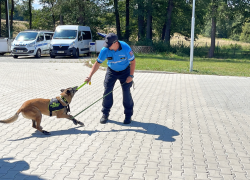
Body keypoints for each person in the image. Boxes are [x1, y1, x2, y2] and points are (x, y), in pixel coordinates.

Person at [85, 33, 135, 124]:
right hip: (111, 71)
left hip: (125, 71)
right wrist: (89, 76)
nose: (107, 47)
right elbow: (97, 64)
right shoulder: (105, 50)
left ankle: (128, 115)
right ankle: (105, 114)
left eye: (109, 45)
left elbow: (133, 61)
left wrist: (131, 76)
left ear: (116, 43)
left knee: (126, 92)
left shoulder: (125, 48)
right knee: (107, 91)